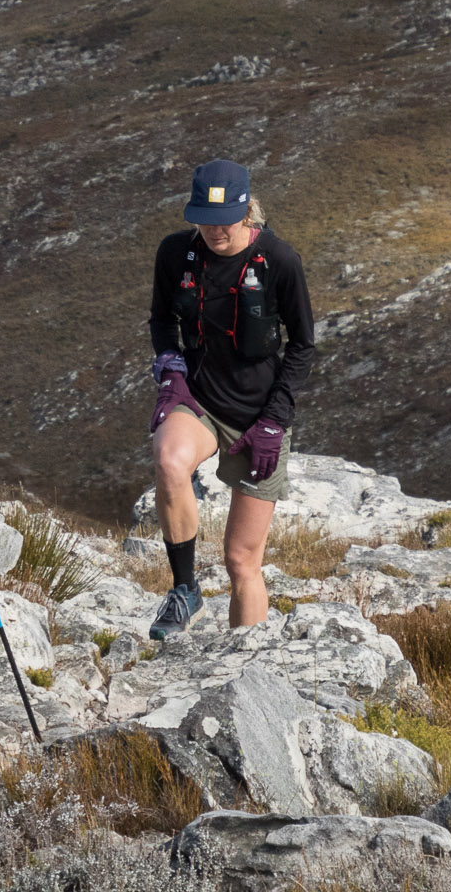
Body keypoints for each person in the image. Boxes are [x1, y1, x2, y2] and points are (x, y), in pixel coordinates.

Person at [145, 159, 316, 638]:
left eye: (225, 221)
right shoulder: (176, 253)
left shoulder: (280, 261)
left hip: (258, 415)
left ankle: (246, 667)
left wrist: (274, 421)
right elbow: (162, 319)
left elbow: (303, 345)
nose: (215, 231)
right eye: (204, 219)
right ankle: (184, 591)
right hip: (199, 399)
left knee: (241, 560)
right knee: (169, 460)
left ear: (247, 212)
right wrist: (170, 368)